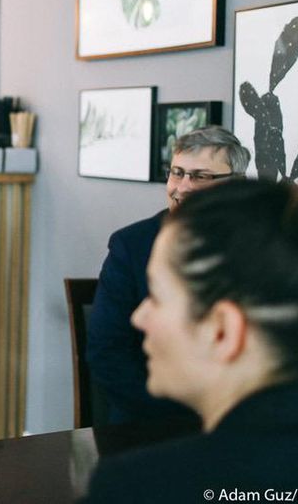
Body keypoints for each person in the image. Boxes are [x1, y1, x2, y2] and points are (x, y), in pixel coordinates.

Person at [83, 149, 298, 503]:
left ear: (223, 330)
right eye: (177, 172)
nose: (139, 317)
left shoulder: (143, 487)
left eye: (158, 297)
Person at [86, 126, 251, 424]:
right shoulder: (132, 246)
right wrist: (188, 414)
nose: (183, 187)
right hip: (150, 419)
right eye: (177, 173)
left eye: (200, 176)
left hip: (242, 418)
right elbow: (107, 351)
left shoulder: (261, 246)